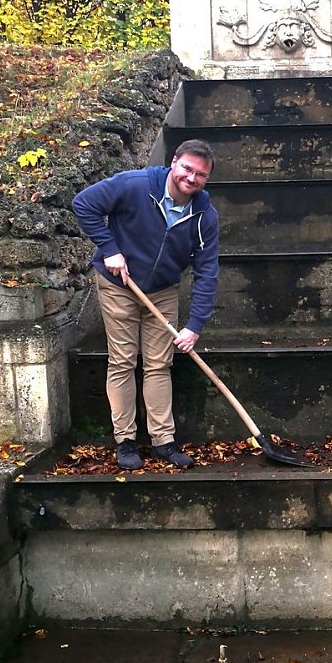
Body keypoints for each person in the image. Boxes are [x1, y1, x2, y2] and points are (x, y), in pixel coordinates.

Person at [72, 139, 219, 469]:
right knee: (123, 360)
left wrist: (194, 326)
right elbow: (84, 204)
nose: (191, 178)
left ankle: (163, 441)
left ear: (207, 179)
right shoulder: (135, 185)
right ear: (174, 163)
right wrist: (109, 249)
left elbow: (207, 271)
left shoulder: (204, 215)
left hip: (163, 290)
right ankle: (125, 440)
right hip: (119, 284)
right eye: (187, 168)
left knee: (158, 363)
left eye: (200, 174)